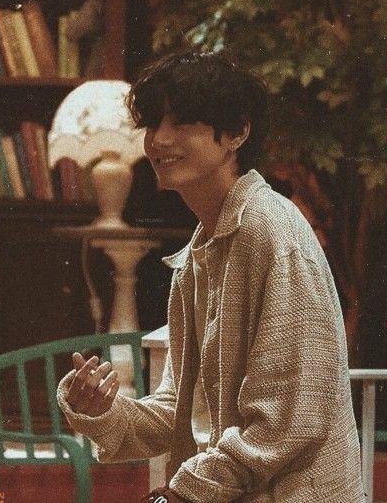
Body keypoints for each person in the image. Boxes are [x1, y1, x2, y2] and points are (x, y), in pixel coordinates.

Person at [57, 49, 366, 502]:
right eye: (152, 125)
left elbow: (287, 424)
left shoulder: (274, 234)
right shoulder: (200, 252)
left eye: (182, 123)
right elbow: (179, 411)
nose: (159, 140)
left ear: (237, 132)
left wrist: (181, 494)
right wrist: (102, 412)